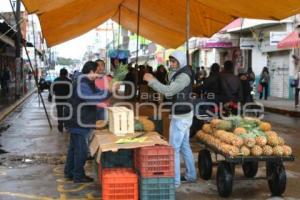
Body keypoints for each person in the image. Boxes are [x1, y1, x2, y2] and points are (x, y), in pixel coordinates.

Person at [143, 50, 197, 188]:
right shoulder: (181, 72)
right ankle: (191, 175)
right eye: (171, 61)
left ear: (181, 62)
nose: (172, 64)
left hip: (181, 117)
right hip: (184, 114)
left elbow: (169, 91)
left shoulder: (183, 76)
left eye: (174, 62)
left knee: (174, 149)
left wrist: (152, 81)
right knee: (184, 146)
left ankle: (175, 181)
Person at [64, 61, 117, 183]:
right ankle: (78, 175)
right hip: (79, 121)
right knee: (81, 150)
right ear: (91, 71)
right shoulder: (82, 83)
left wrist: (109, 90)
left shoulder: (87, 82)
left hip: (78, 120)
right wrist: (109, 91)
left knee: (74, 148)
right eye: (97, 72)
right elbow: (93, 99)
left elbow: (97, 93)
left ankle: (69, 171)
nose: (98, 75)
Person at [52, 68, 72, 132]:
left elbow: (52, 90)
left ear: (60, 73)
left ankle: (60, 123)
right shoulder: (69, 81)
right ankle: (67, 125)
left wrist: (50, 97)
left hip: (58, 99)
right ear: (66, 74)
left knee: (59, 112)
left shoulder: (55, 80)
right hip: (67, 99)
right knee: (67, 112)